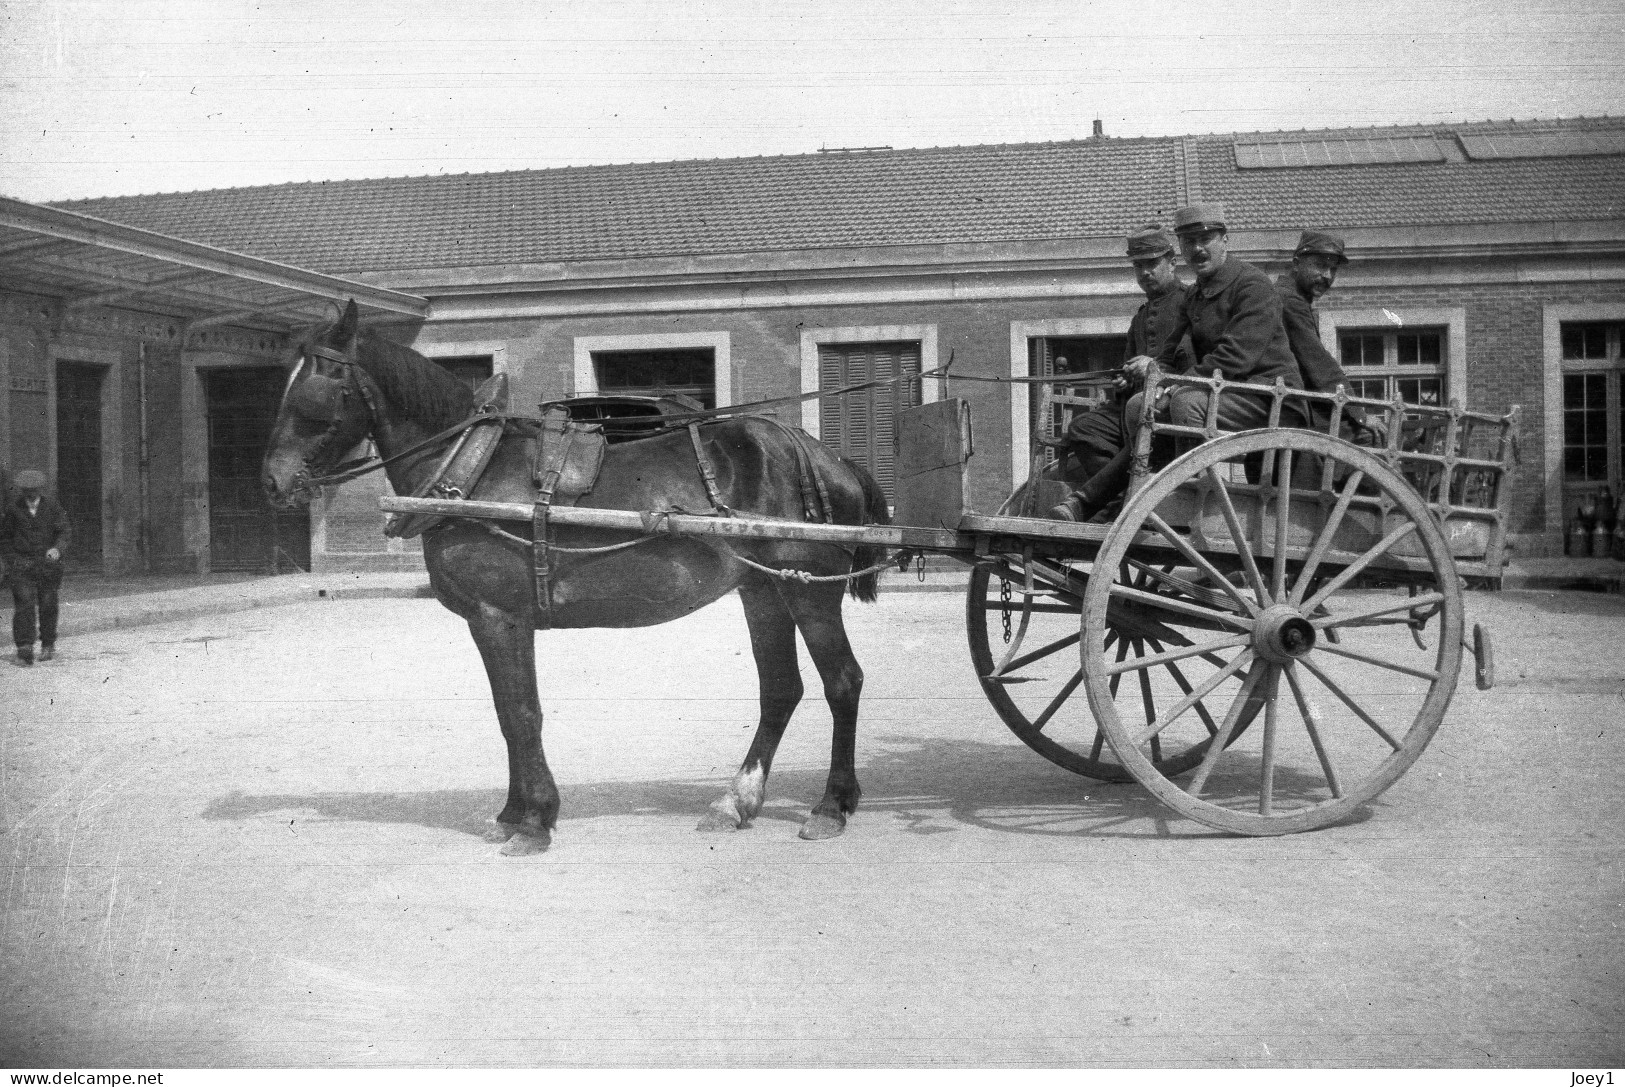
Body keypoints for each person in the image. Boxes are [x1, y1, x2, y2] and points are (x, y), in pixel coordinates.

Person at [1051, 202, 1301, 521]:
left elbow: (1236, 357)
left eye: (1205, 238)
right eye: (1188, 241)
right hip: (1226, 391)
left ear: (1225, 240)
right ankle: (1144, 492)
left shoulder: (1252, 285)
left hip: (1268, 396)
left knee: (1186, 404)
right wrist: (1157, 377)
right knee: (1138, 404)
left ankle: (1192, 499)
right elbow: (1167, 357)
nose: (1196, 249)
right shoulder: (1196, 295)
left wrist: (1173, 386)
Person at [1041, 224, 1194, 482]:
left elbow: (1195, 365)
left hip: (1169, 407)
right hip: (1132, 408)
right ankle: (1123, 495)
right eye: (1138, 266)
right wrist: (1125, 380)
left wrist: (1153, 368)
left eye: (1152, 263)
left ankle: (1121, 497)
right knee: (1082, 428)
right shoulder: (1141, 317)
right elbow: (1128, 370)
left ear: (1172, 262)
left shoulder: (1191, 303)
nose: (1144, 272)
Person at [1274, 229, 1385, 443]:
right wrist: (1360, 416)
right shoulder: (1290, 302)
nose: (1327, 276)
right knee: (1373, 437)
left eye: (1333, 269)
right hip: (1294, 411)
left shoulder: (1290, 297)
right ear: (1296, 263)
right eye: (1320, 265)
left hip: (1294, 406)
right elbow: (1320, 366)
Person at [2, 469, 70, 665]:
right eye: (27, 492)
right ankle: (24, 649)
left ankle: (48, 644)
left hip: (48, 566)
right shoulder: (13, 509)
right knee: (24, 605)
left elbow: (64, 531)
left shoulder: (52, 507)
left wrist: (57, 549)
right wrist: (12, 559)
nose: (30, 496)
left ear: (40, 490)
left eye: (34, 492)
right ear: (22, 491)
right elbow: (5, 538)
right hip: (22, 566)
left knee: (48, 605)